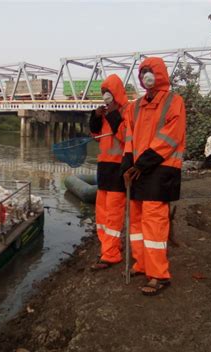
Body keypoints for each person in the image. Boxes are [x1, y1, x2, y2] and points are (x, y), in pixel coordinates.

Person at [121, 57, 186, 296]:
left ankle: (159, 275)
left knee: (154, 222)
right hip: (139, 168)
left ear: (160, 74)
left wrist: (142, 163)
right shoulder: (135, 106)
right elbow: (129, 135)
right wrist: (127, 162)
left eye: (150, 71)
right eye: (143, 72)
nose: (146, 76)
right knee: (136, 220)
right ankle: (142, 264)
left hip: (161, 169)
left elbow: (171, 137)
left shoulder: (173, 101)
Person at [88, 74, 131, 270]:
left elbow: (125, 136)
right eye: (104, 93)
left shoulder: (127, 111)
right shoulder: (106, 113)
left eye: (108, 93)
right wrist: (95, 118)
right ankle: (108, 248)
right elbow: (97, 136)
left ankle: (111, 254)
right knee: (102, 214)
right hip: (104, 167)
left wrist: (114, 114)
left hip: (118, 168)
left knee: (113, 214)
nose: (106, 97)